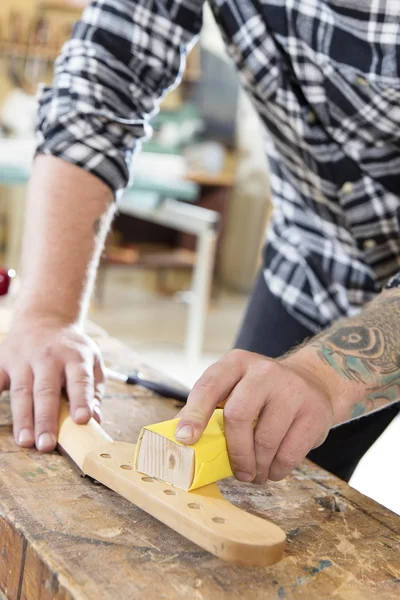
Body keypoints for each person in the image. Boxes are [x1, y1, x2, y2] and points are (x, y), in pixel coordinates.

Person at [1, 0, 400, 486]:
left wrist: (322, 378)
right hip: (311, 263)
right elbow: (104, 76)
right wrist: (47, 312)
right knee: (250, 476)